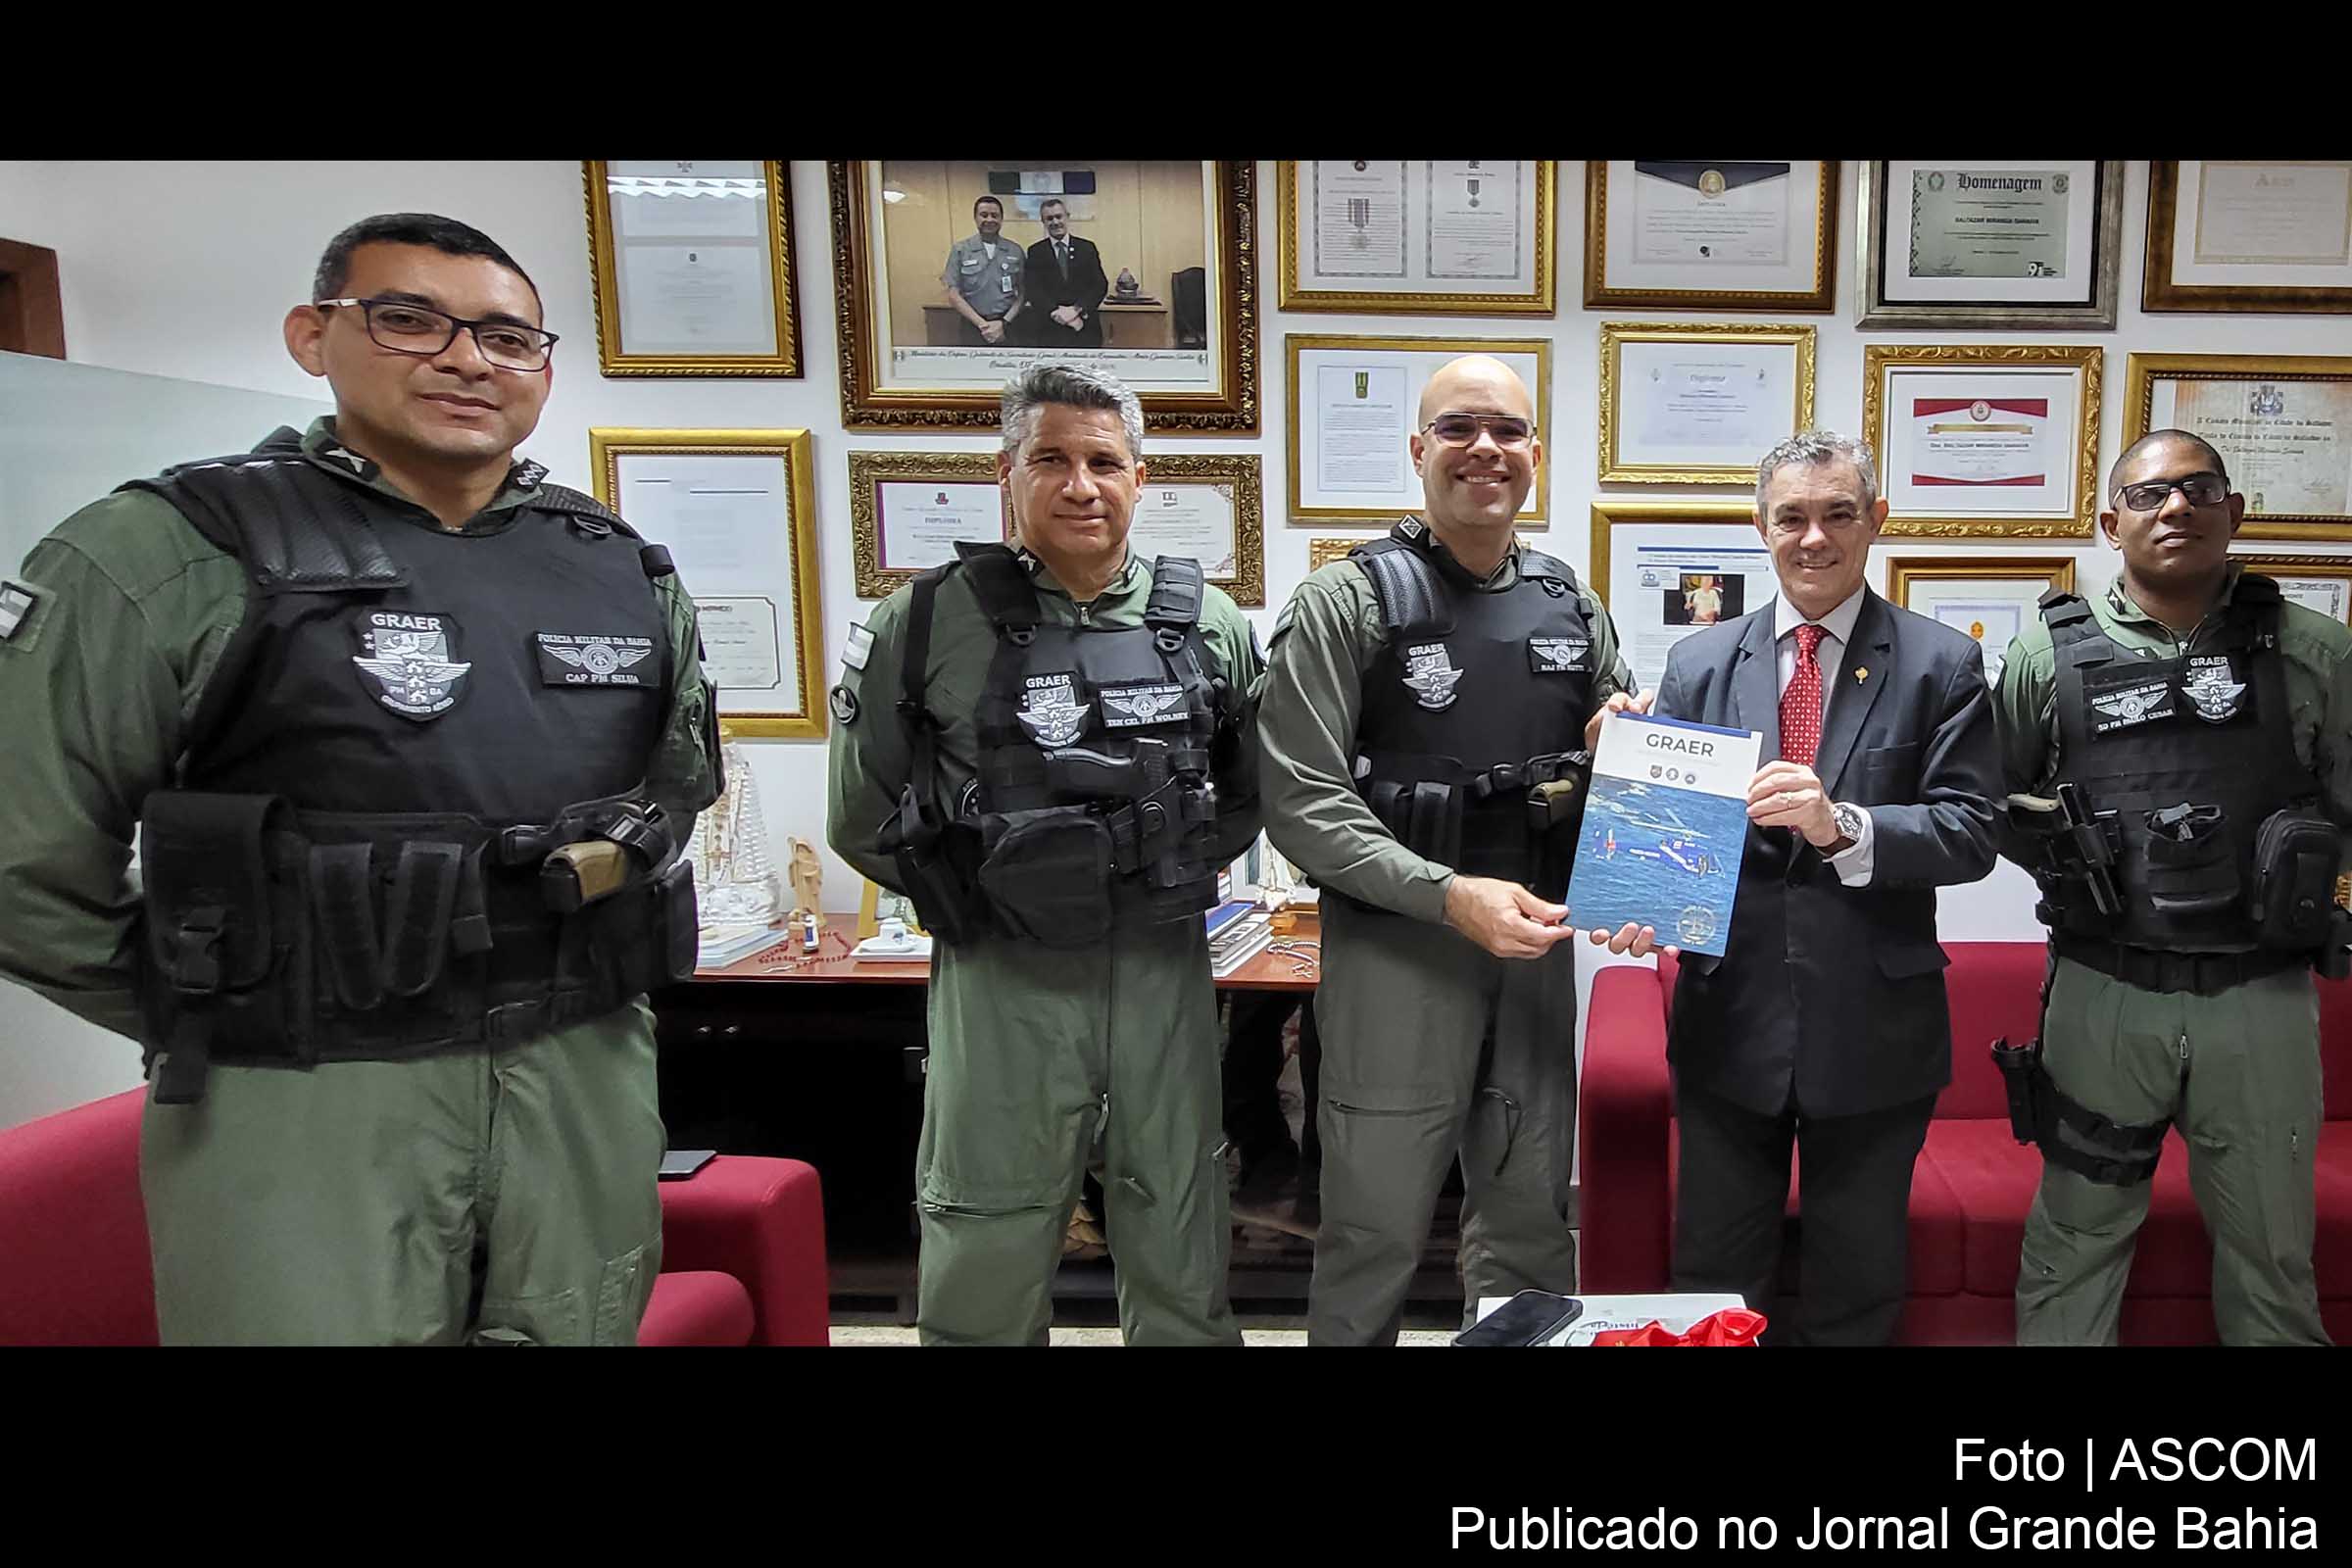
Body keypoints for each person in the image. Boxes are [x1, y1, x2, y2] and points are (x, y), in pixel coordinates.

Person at [0, 213, 720, 1345]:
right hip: (307, 1090)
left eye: (506, 336)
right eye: (408, 319)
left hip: (577, 1068)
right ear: (311, 334)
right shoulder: (168, 551)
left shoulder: (618, 566)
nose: (466, 358)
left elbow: (677, 789)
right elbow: (20, 862)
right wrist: (227, 991)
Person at [826, 363, 1262, 1346]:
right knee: (990, 1219)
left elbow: (1246, 793)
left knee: (1178, 1212)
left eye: (1105, 461)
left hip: (1159, 967)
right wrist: (996, 894)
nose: (1081, 485)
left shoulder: (1209, 623)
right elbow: (863, 814)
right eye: (1051, 459)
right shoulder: (929, 618)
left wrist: (1151, 875)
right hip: (1001, 974)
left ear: (1140, 479)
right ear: (1006, 473)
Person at [1256, 354, 1654, 1347]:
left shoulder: (1573, 604)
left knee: (1528, 1224)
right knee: (1373, 1233)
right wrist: (1446, 895)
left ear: (1536, 453)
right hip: (1402, 952)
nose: (1487, 448)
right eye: (1459, 427)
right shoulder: (1345, 603)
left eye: (1510, 431)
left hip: (1534, 950)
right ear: (1418, 449)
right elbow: (1301, 801)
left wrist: (1632, 771)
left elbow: (1632, 774)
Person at [1631, 429, 1999, 1346]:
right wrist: (1636, 891)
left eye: (1839, 513)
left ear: (1876, 520)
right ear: (1760, 527)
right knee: (1711, 1281)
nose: (1814, 537)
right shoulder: (1700, 663)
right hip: (1729, 1022)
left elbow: (1972, 833)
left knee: (1857, 1286)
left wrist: (1845, 826)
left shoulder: (1941, 664)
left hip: (1875, 1029)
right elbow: (1668, 832)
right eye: (1791, 516)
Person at [1992, 429, 2352, 1347]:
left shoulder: (2315, 651)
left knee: (2271, 1249)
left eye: (2199, 489)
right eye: (2149, 496)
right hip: (2105, 992)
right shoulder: (2047, 655)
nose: (2177, 508)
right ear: (2112, 523)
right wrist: (2079, 877)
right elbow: (1994, 804)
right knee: (2073, 1241)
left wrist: (2319, 892)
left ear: (2235, 512)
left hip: (2259, 998)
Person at [1021, 198, 1109, 350]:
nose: (1055, 222)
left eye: (1058, 216)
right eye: (1049, 218)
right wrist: (1058, 313)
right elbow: (1033, 289)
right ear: (1043, 222)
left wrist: (1076, 310)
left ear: (1067, 216)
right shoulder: (1036, 251)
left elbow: (1100, 285)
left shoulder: (1087, 248)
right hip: (1050, 330)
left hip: (1084, 327)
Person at [939, 195, 1025, 347]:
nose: (989, 220)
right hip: (973, 326)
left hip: (1007, 325)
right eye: (984, 215)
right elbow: (953, 294)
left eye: (995, 216)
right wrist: (983, 325)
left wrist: (1003, 323)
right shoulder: (961, 250)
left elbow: (1024, 293)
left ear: (1001, 219)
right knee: (973, 370)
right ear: (975, 218)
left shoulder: (1015, 250)